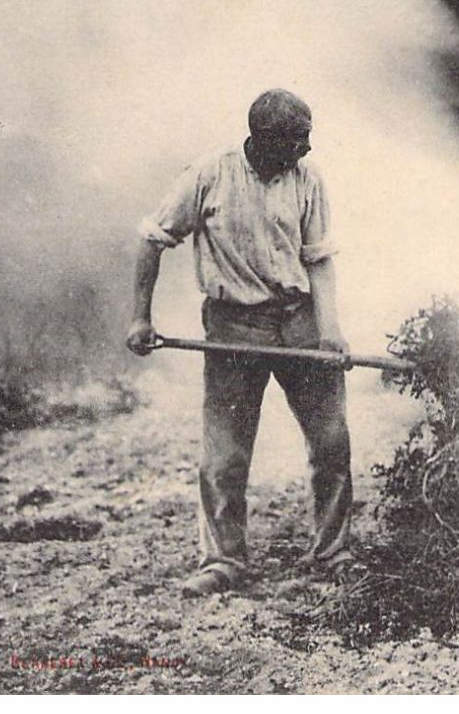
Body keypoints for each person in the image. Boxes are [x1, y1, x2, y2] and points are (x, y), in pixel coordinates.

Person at [126, 89, 354, 596]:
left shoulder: (308, 178)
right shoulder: (210, 175)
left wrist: (330, 329)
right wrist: (140, 318)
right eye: (298, 141)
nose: (307, 150)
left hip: (299, 322)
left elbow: (318, 257)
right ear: (263, 140)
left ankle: (332, 552)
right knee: (225, 453)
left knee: (331, 441)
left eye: (308, 138)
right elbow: (152, 238)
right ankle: (224, 560)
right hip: (233, 327)